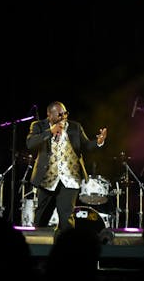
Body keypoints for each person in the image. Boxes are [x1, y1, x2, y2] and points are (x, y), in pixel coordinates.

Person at [25, 101, 107, 238]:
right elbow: (30, 143)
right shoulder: (38, 126)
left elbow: (86, 145)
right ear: (49, 115)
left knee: (66, 217)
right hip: (46, 179)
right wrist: (50, 131)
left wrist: (99, 142)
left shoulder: (75, 127)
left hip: (70, 178)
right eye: (59, 114)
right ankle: (39, 245)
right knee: (41, 217)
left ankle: (68, 245)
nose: (63, 117)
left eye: (65, 113)